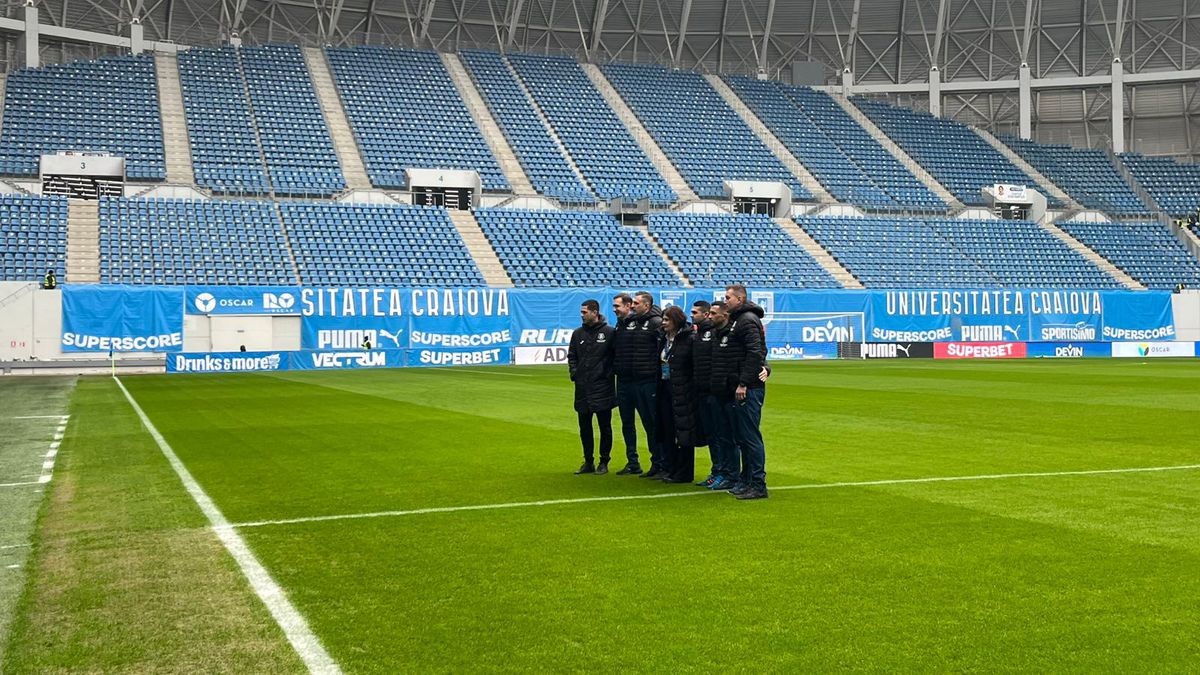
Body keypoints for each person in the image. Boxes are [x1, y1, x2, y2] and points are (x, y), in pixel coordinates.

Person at [714, 285, 768, 500]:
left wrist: (744, 383)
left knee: (750, 437)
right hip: (738, 386)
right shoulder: (737, 319)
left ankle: (758, 484)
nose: (725, 300)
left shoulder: (747, 320)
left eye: (728, 297)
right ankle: (746, 481)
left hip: (748, 388)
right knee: (743, 437)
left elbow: (755, 352)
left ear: (740, 298)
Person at [611, 291, 663, 477]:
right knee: (627, 423)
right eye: (631, 303)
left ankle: (658, 462)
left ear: (646, 305)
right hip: (624, 381)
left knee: (650, 423)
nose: (632, 306)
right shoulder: (623, 324)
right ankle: (633, 462)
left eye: (636, 303)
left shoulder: (656, 323)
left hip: (645, 381)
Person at [568, 299, 617, 475]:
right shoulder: (577, 334)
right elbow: (572, 355)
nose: (582, 315)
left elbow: (615, 357)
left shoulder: (609, 332)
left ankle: (604, 461)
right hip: (582, 388)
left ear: (594, 312)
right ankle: (588, 461)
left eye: (584, 312)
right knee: (584, 427)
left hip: (603, 387)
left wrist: (606, 374)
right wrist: (575, 373)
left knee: (605, 426)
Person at [657, 305, 702, 483]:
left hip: (684, 390)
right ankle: (672, 468)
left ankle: (684, 472)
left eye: (667, 319)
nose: (663, 322)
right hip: (666, 388)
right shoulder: (664, 338)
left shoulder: (689, 339)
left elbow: (693, 366)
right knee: (669, 430)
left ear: (676, 321)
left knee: (684, 432)